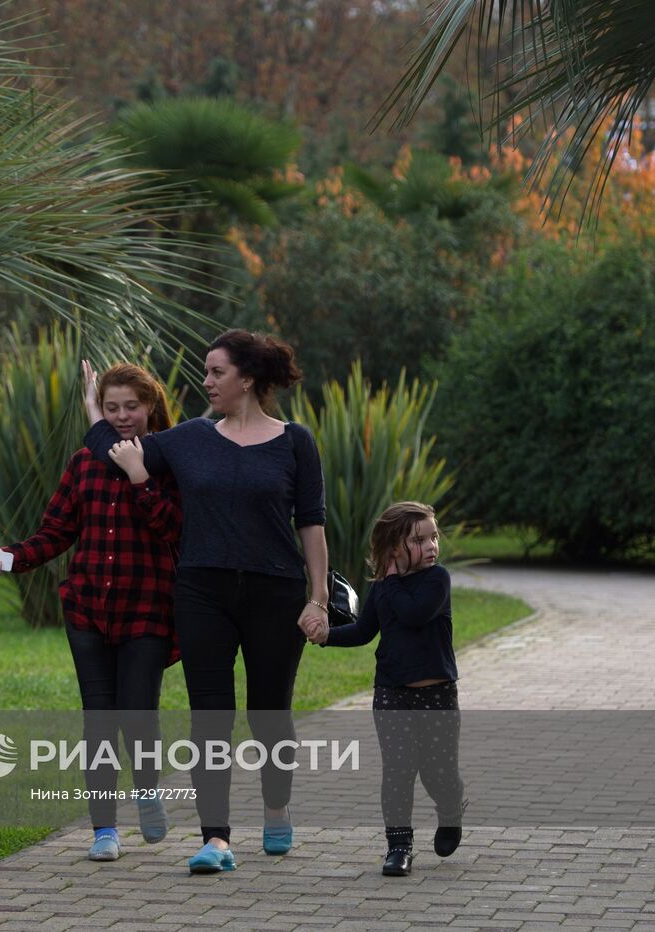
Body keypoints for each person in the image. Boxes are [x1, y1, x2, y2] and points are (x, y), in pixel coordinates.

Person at [82, 329, 329, 874]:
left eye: (217, 372)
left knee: (269, 716)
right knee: (210, 719)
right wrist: (95, 413)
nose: (207, 381)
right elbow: (115, 453)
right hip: (201, 592)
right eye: (206, 371)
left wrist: (317, 599)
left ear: (248, 378)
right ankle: (215, 839)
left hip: (275, 593)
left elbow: (311, 524)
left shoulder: (296, 442)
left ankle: (276, 807)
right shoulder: (190, 437)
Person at [0, 363, 181, 863]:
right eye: (111, 407)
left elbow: (175, 529)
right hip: (88, 610)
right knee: (99, 722)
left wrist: (139, 479)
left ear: (151, 405)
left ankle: (148, 792)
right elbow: (56, 532)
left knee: (138, 715)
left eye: (131, 406)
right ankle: (104, 830)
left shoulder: (171, 459)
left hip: (146, 610)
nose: (123, 416)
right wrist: (9, 557)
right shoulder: (83, 463)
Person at [302, 501, 465, 877]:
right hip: (392, 693)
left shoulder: (437, 580)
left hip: (437, 694)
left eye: (433, 537)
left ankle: (450, 807)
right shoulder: (384, 589)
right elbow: (363, 631)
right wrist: (326, 636)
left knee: (436, 772)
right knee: (398, 769)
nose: (431, 546)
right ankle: (399, 846)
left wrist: (389, 580)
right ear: (394, 547)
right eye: (419, 540)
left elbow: (413, 613)